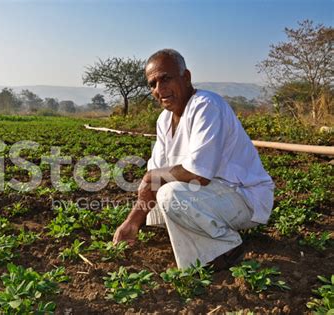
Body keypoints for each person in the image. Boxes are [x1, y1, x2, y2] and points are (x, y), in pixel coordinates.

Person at [113, 49, 274, 270]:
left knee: (170, 195)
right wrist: (131, 223)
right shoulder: (164, 119)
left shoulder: (206, 105)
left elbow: (199, 174)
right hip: (213, 196)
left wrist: (152, 176)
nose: (159, 89)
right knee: (156, 210)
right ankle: (205, 230)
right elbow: (154, 181)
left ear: (186, 77)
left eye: (166, 78)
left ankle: (226, 246)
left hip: (243, 197)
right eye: (152, 84)